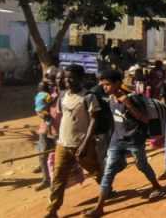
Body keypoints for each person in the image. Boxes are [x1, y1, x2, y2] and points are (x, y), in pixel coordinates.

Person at [82, 70, 166, 218]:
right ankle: (99, 208)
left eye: (107, 84)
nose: (105, 87)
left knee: (142, 165)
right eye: (103, 85)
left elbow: (145, 119)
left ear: (117, 83)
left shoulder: (133, 99)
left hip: (134, 140)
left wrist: (127, 104)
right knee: (108, 172)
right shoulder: (110, 98)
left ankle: (157, 186)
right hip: (117, 140)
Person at [46, 65, 103, 218]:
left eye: (71, 77)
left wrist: (85, 143)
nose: (67, 81)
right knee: (58, 177)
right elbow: (63, 118)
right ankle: (53, 210)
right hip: (63, 144)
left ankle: (106, 190)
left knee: (96, 171)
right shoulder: (63, 95)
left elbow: (94, 121)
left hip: (82, 145)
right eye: (65, 77)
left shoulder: (88, 97)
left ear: (81, 78)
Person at [34, 81, 54, 190]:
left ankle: (49, 179)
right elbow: (39, 111)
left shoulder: (52, 96)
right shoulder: (48, 95)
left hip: (53, 128)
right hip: (47, 127)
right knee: (43, 154)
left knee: (48, 154)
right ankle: (46, 178)